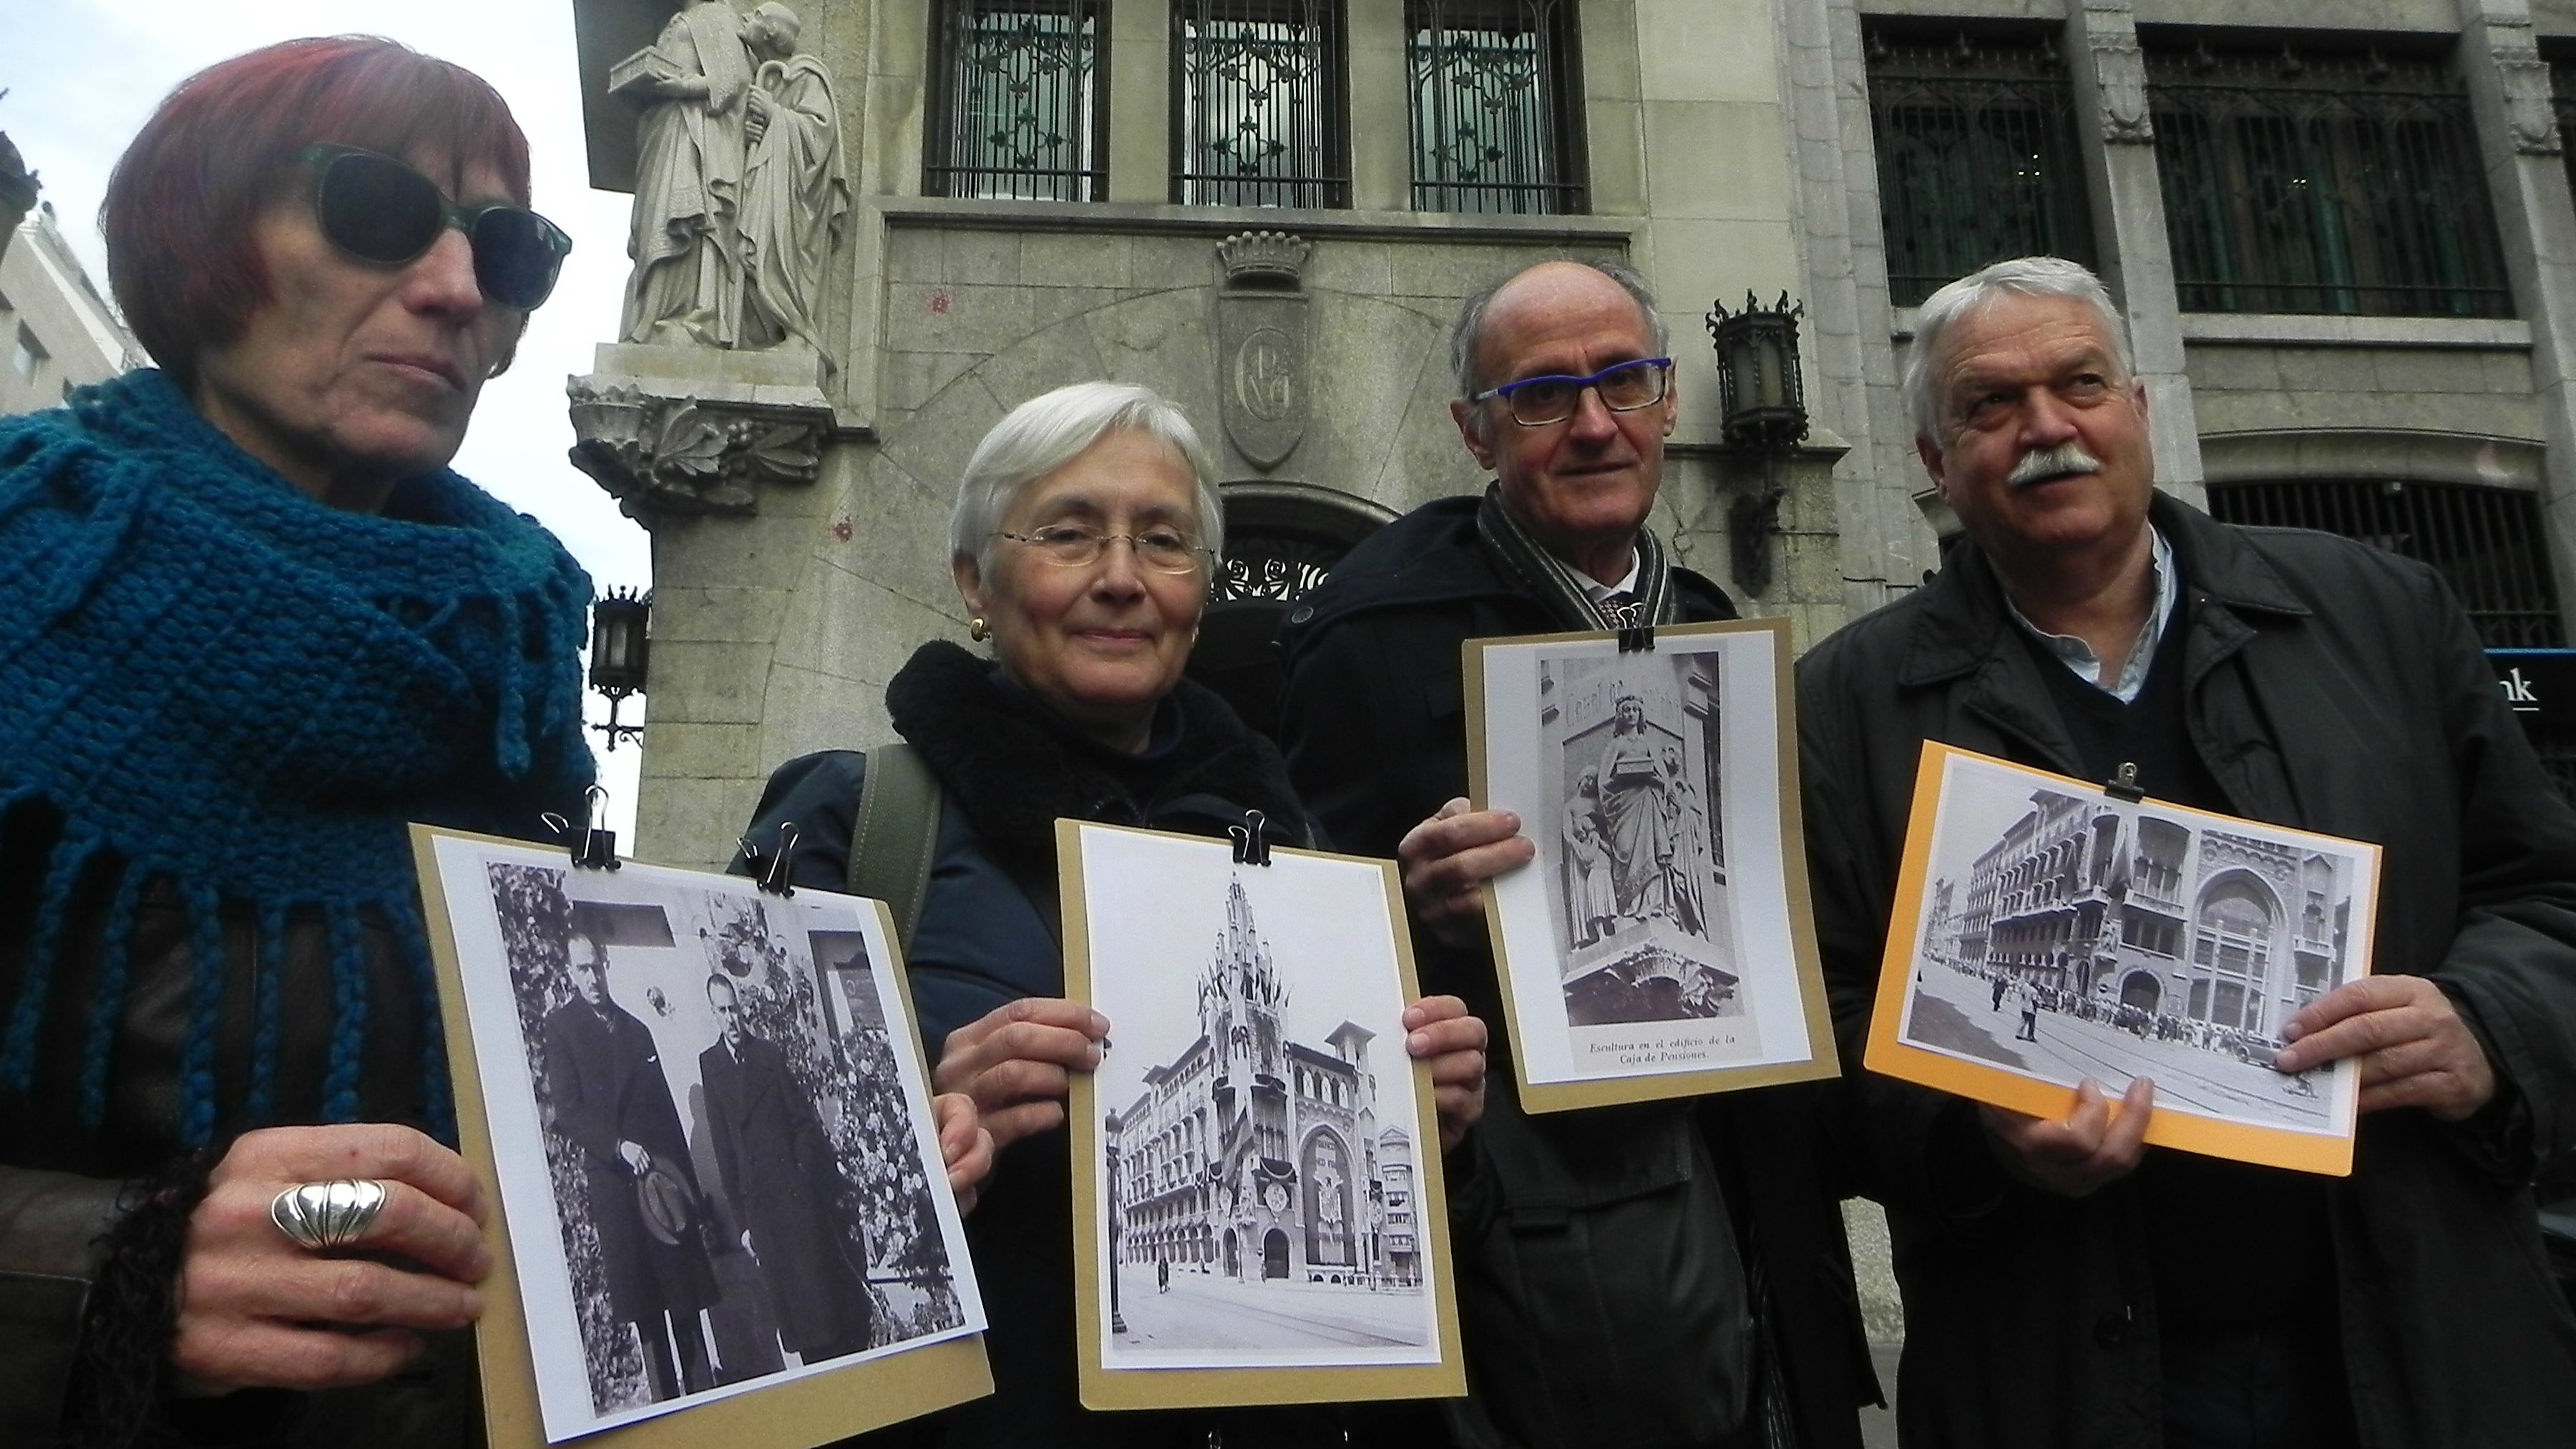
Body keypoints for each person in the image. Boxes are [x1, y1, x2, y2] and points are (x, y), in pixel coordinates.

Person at [1797, 255, 2576, 1446]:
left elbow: (2548, 891)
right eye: (1990, 406)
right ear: (1936, 464)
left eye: (2080, 383)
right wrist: (1970, 1130)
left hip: (2422, 1341)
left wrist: (2491, 1026)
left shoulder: (2383, 612)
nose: (2046, 427)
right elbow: (1819, 1024)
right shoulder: (1843, 707)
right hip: (2055, 1366)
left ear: (2140, 407)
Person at [0, 39, 592, 1449]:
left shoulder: (517, 674)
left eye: (507, 249)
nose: (455, 287)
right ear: (201, 236)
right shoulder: (27, 578)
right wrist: (113, 1268)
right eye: (377, 211)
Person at [733, 381, 1491, 1448]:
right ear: (976, 582)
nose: (1123, 580)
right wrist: (915, 1127)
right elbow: (740, 1184)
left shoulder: (1296, 854)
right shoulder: (859, 822)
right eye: (1070, 534)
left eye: (1165, 541)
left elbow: (1428, 1261)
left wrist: (1432, 1141)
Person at [1276, 258, 1877, 1449]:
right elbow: (1308, 944)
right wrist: (1412, 900)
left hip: (1749, 1196)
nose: (1596, 424)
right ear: (1476, 430)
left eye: (1625, 382)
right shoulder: (1372, 631)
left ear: (1665, 402)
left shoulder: (1712, 627)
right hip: (1550, 1260)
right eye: (1545, 395)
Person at [541, 935, 720, 1402]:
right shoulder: (561, 1029)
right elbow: (568, 1110)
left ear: (605, 963)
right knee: (647, 1305)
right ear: (571, 973)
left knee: (684, 1294)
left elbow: (666, 1110)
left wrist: (691, 1193)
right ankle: (665, 1407)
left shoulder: (638, 1029)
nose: (591, 977)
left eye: (595, 966)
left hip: (661, 1182)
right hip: (616, 1185)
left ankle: (704, 1395)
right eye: (581, 970)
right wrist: (618, 1146)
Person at [699, 973, 873, 1366]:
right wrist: (741, 1221)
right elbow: (725, 1147)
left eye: (735, 1009)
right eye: (723, 1011)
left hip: (793, 1196)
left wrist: (799, 1174)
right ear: (713, 1014)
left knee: (819, 1299)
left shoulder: (768, 1056)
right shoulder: (710, 1065)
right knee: (792, 1307)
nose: (731, 1019)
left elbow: (804, 1123)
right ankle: (817, 1373)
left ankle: (842, 1365)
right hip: (759, 1205)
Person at [621, 0, 752, 346]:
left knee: (683, 218)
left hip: (691, 130)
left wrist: (685, 87)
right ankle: (651, 314)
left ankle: (685, 312)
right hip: (662, 127)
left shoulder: (716, 16)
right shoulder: (677, 21)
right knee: (654, 221)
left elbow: (732, 79)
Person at [737, 2, 848, 356]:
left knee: (783, 262)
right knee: (749, 258)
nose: (745, 18)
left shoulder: (807, 75)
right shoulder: (771, 77)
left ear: (770, 31)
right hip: (770, 185)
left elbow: (820, 130)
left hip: (797, 201)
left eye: (754, 16)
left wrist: (774, 114)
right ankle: (762, 334)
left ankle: (799, 335)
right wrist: (759, 128)